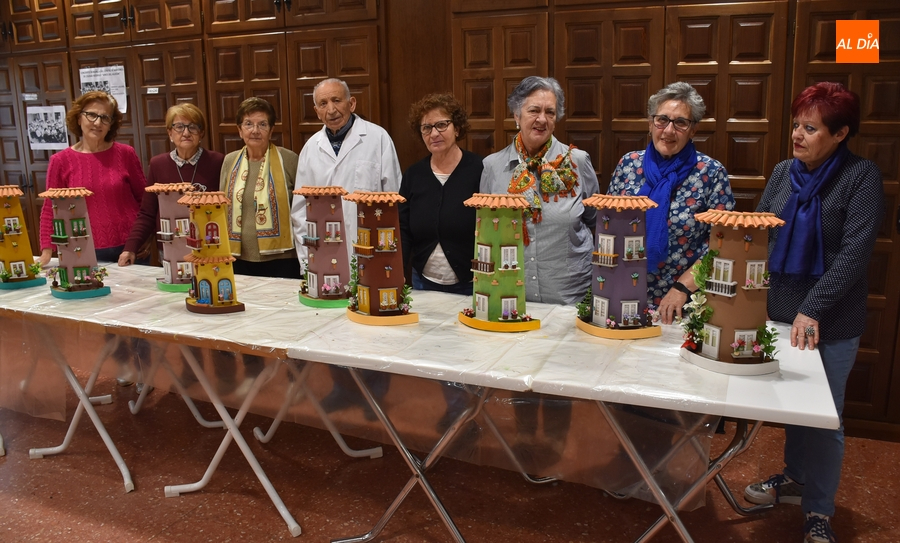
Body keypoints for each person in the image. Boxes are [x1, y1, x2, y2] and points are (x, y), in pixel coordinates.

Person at [743, 82, 883, 543]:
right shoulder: (784, 172)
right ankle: (795, 478)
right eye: (796, 126)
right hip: (779, 315)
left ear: (840, 133)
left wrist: (812, 309)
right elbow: (759, 233)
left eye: (811, 128)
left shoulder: (861, 177)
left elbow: (854, 255)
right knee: (792, 410)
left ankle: (819, 511)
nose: (797, 136)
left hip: (830, 322)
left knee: (825, 417)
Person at [480, 76, 599, 464]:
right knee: (522, 369)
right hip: (515, 290)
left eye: (550, 111)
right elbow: (485, 224)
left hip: (566, 287)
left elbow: (594, 218)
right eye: (533, 110)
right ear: (516, 115)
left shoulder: (576, 162)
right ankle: (526, 441)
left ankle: (558, 447)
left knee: (561, 375)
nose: (542, 119)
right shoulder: (494, 167)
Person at [291, 78, 402, 419]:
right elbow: (299, 209)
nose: (331, 110)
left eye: (337, 101)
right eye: (323, 104)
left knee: (372, 326)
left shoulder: (377, 138)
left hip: (370, 249)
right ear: (316, 110)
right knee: (333, 330)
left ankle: (375, 395)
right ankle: (342, 389)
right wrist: (307, 257)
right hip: (326, 255)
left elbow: (393, 193)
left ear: (352, 103)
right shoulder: (311, 148)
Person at [607, 81, 735, 324]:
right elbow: (610, 226)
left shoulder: (710, 173)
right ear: (650, 123)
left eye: (680, 123)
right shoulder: (628, 164)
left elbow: (722, 244)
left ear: (693, 130)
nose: (668, 130)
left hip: (683, 303)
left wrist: (682, 289)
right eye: (662, 120)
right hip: (626, 292)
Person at [399, 92, 482, 431]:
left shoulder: (480, 169)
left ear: (457, 127)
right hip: (424, 280)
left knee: (468, 350)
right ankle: (455, 409)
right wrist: (403, 276)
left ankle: (471, 413)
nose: (434, 133)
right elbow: (403, 227)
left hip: (470, 279)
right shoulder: (415, 174)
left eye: (442, 125)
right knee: (436, 348)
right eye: (426, 128)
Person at [39, 91, 147, 266]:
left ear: (111, 124)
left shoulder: (126, 154)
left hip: (131, 249)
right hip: (82, 248)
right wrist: (46, 251)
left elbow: (145, 201)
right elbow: (51, 209)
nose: (98, 123)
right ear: (79, 118)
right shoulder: (60, 161)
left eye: (105, 117)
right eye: (91, 115)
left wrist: (144, 239)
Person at [118, 103, 225, 266]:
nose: (186, 133)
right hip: (170, 248)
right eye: (179, 127)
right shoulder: (158, 164)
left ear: (201, 132)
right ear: (170, 133)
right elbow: (147, 213)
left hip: (208, 248)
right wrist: (130, 248)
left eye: (193, 127)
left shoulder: (218, 162)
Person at [221, 97, 300, 279]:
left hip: (282, 259)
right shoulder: (229, 161)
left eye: (262, 124)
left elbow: (302, 207)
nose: (255, 131)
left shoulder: (288, 160)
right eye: (248, 124)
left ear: (271, 130)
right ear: (240, 130)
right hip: (238, 258)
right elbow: (222, 208)